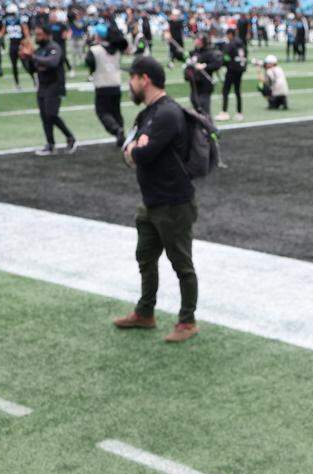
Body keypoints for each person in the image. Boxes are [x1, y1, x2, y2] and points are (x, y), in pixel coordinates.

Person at [114, 55, 201, 343]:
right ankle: (145, 313)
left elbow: (140, 154)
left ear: (144, 79)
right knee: (145, 258)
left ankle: (187, 321)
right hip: (151, 201)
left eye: (132, 78)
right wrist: (135, 150)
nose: (129, 84)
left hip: (174, 203)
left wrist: (136, 150)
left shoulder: (167, 113)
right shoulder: (147, 114)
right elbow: (128, 149)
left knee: (182, 264)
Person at [20, 23, 76, 156]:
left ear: (47, 35)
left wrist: (32, 56)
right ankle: (50, 145)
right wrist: (25, 59)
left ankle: (70, 137)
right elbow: (32, 70)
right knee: (45, 117)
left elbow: (52, 62)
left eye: (39, 34)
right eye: (36, 34)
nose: (37, 37)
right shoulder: (39, 50)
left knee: (51, 114)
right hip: (43, 86)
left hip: (55, 85)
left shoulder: (54, 47)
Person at [85, 23, 125, 145]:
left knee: (102, 111)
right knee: (116, 111)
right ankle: (121, 133)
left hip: (102, 84)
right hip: (116, 83)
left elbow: (89, 63)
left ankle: (116, 129)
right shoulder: (117, 49)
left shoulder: (94, 50)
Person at [186, 33, 222, 117]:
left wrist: (204, 66)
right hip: (194, 86)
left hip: (204, 87)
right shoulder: (193, 52)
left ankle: (209, 129)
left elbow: (217, 64)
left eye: (198, 39)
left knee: (205, 111)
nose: (195, 41)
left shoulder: (209, 53)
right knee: (196, 111)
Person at [216, 27, 247, 121]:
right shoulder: (241, 44)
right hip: (240, 70)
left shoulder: (230, 44)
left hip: (232, 70)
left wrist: (224, 63)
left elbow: (225, 57)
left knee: (225, 91)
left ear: (230, 34)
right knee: (238, 92)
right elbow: (245, 56)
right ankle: (239, 112)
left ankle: (224, 112)